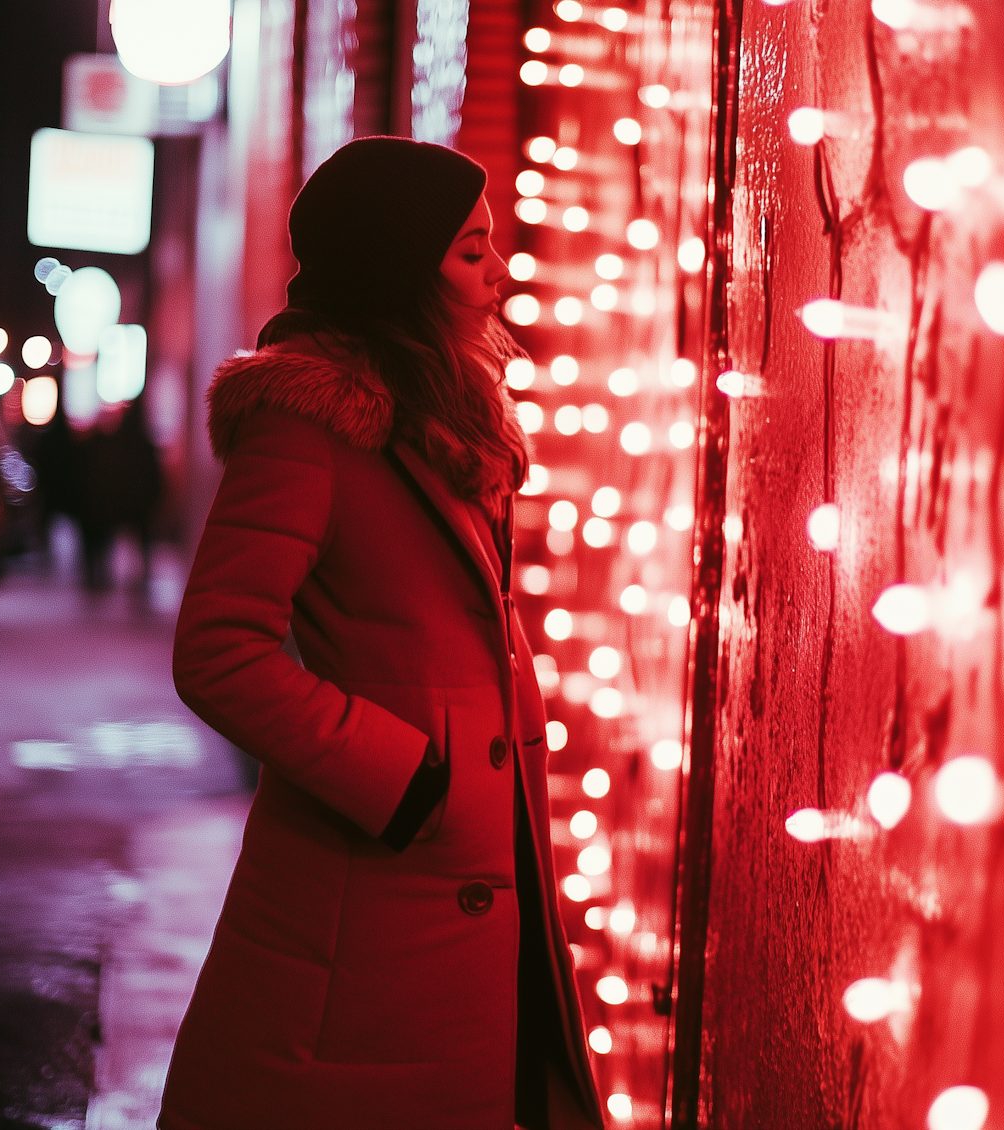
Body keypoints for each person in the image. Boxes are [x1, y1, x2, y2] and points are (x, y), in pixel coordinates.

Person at [159, 137, 605, 1130]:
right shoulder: (310, 421)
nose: (497, 270)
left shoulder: (449, 411)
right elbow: (218, 648)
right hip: (374, 880)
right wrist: (400, 775)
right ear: (398, 267)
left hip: (475, 872)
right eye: (470, 250)